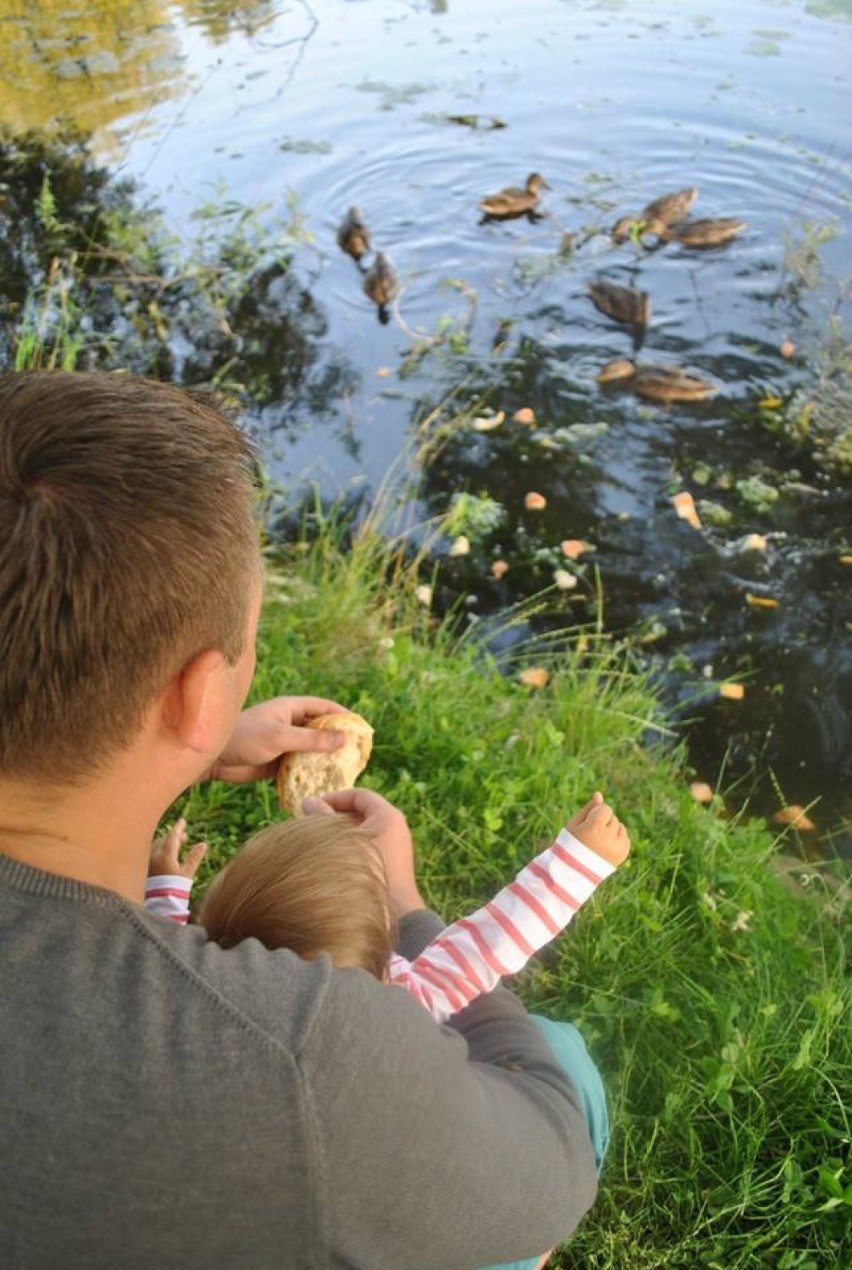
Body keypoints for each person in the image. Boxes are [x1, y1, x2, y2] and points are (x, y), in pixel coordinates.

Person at [1, 370, 613, 1269]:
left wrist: (194, 747)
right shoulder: (305, 1057)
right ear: (200, 690)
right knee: (568, 1064)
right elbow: (553, 1166)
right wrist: (402, 906)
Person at [145, 792, 627, 1029]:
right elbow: (491, 942)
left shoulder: (206, 979)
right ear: (383, 949)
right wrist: (575, 863)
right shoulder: (405, 1001)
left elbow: (166, 956)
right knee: (561, 1045)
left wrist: (167, 889)